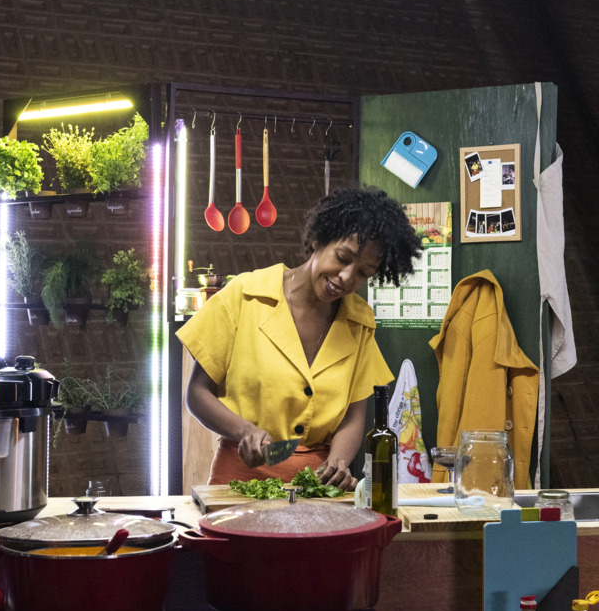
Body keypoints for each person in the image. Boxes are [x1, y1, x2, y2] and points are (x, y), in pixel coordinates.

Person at [178, 186, 423, 491]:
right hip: (240, 481)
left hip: (316, 487)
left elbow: (353, 416)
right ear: (318, 240)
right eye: (342, 258)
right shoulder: (244, 295)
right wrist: (244, 431)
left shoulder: (359, 321)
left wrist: (339, 462)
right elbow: (198, 393)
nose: (347, 277)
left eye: (363, 272)